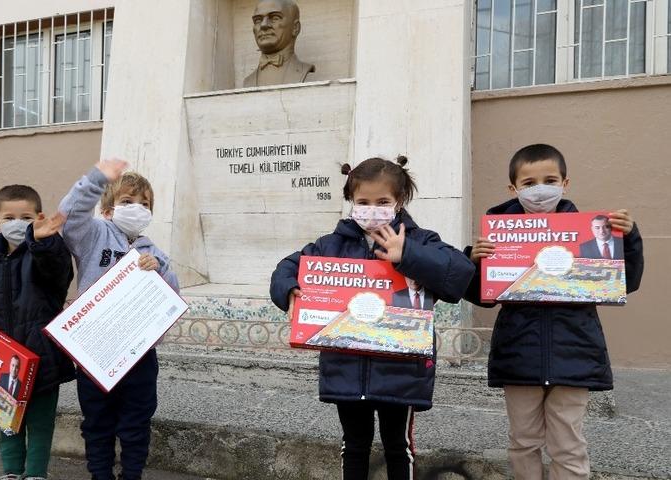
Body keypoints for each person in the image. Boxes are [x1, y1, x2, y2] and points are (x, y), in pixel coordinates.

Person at [270, 156, 475, 480]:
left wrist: (407, 254)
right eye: (363, 202)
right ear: (351, 201)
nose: (372, 209)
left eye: (382, 202)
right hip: (346, 367)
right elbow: (287, 267)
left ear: (399, 201)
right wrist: (290, 289)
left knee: (398, 446)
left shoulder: (422, 241)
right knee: (354, 445)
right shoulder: (329, 245)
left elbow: (458, 275)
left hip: (401, 370)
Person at [464, 144, 644, 479]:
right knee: (523, 442)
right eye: (529, 183)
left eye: (550, 179)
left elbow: (626, 282)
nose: (540, 189)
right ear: (513, 188)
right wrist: (473, 261)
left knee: (569, 445)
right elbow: (482, 296)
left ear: (565, 183)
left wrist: (629, 239)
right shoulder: (499, 236)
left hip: (574, 355)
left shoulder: (592, 234)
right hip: (519, 355)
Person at [58, 159, 179, 480]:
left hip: (138, 356)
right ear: (109, 209)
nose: (137, 208)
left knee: (136, 423)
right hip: (94, 352)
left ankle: (132, 475)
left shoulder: (155, 252)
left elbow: (170, 303)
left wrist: (161, 272)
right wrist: (97, 179)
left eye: (144, 204)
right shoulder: (94, 235)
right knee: (97, 423)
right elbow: (69, 216)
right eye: (127, 202)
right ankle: (100, 475)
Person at [0, 184, 75, 480]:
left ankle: (35, 473)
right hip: (0, 356)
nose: (16, 223)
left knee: (40, 420)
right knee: (6, 417)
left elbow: (60, 272)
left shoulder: (46, 249)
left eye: (25, 216)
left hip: (42, 353)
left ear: (39, 217)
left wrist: (44, 242)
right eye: (9, 217)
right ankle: (11, 472)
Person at [243, 0, 315, 87]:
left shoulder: (303, 70)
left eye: (275, 18)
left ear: (295, 28)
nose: (263, 25)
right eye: (258, 20)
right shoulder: (248, 81)